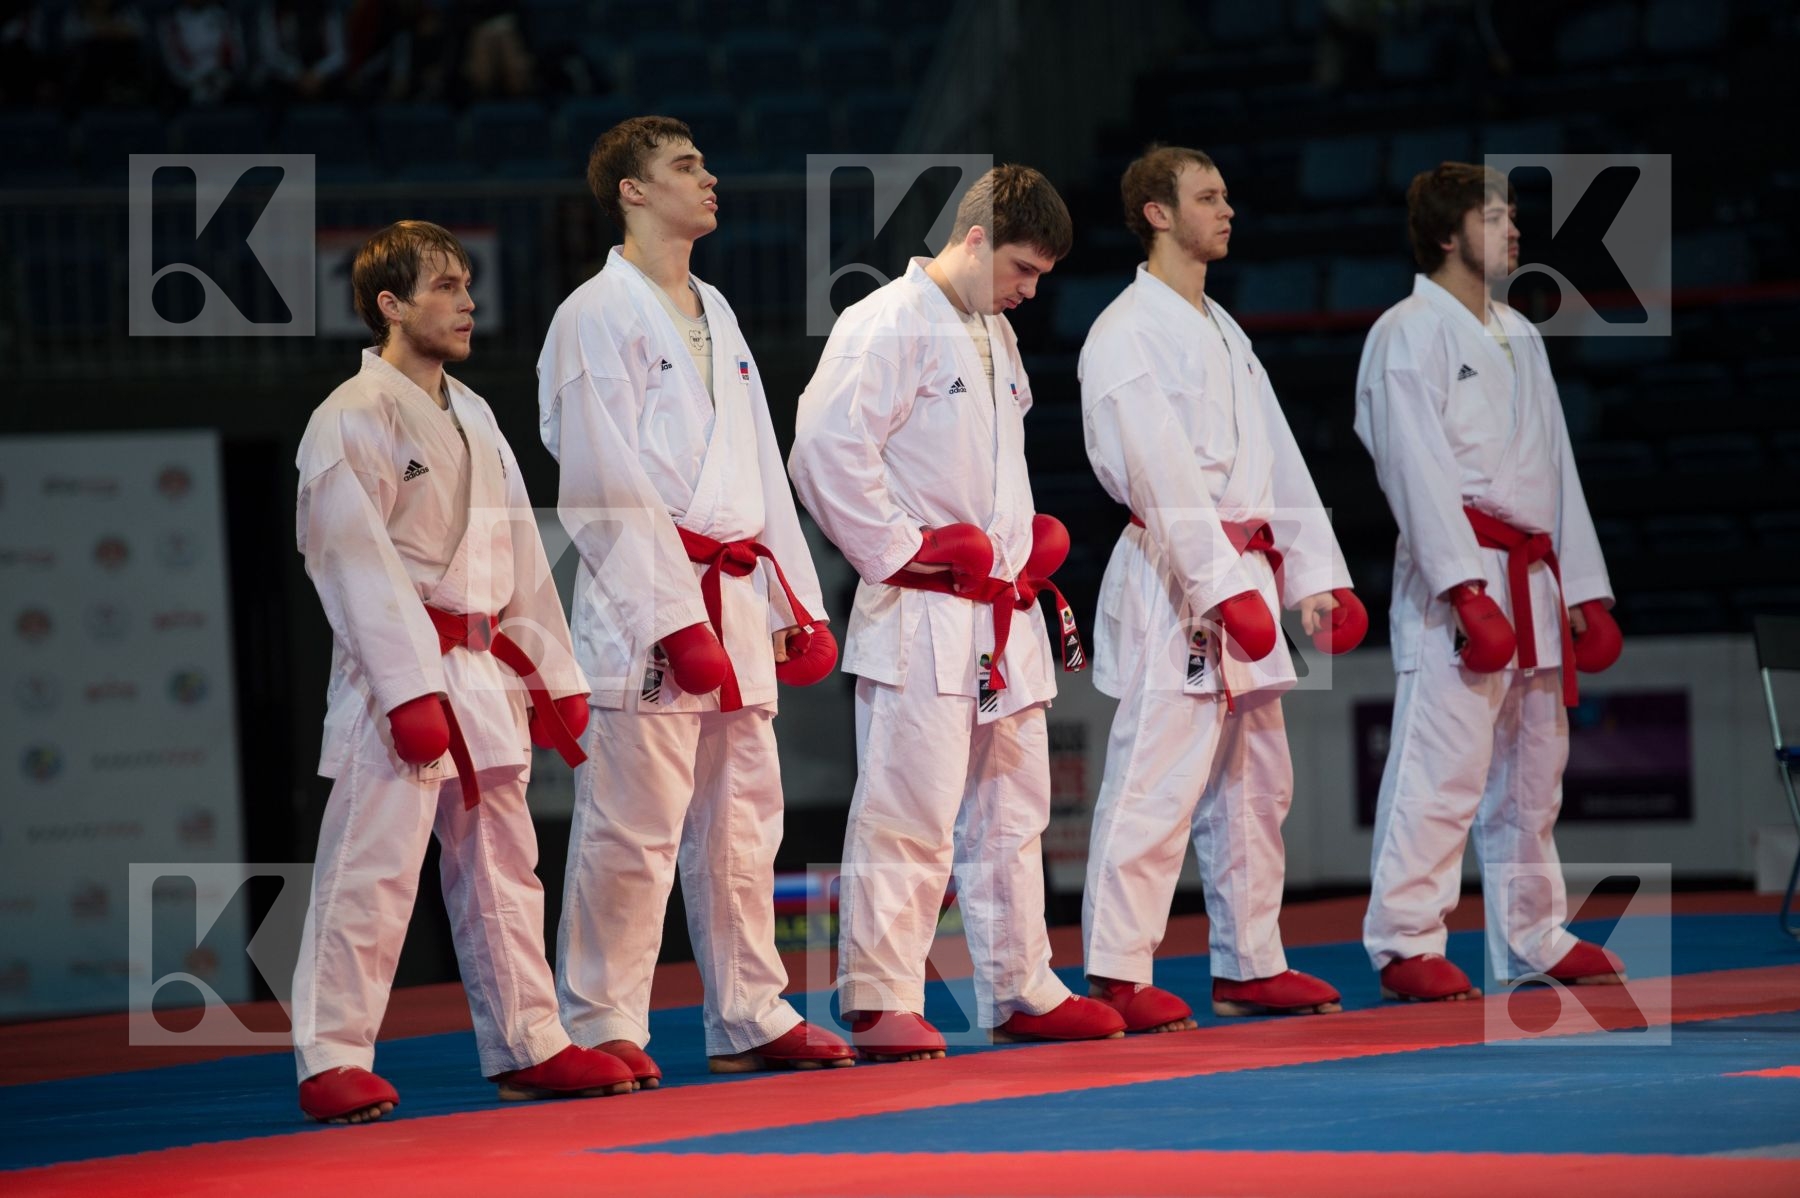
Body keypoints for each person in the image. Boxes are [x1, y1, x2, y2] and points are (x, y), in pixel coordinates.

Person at [291, 220, 633, 1124]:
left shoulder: (474, 413)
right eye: (444, 286)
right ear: (389, 305)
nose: (467, 300)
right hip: (393, 679)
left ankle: (530, 1041)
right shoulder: (348, 421)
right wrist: (409, 691)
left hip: (484, 669)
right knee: (371, 868)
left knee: (504, 869)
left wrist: (554, 673)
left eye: (469, 284)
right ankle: (330, 1055)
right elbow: (351, 563)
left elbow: (519, 547)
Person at [539, 116, 851, 1086]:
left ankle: (750, 1011)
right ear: (632, 191)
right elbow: (598, 484)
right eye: (684, 167)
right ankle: (598, 1021)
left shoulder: (713, 306)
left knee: (744, 825)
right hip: (653, 609)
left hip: (738, 594)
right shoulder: (595, 313)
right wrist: (674, 616)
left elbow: (758, 462)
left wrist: (800, 600)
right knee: (631, 828)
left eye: (707, 162)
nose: (708, 178)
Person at [790, 165, 1126, 1062]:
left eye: (1042, 276)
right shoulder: (885, 322)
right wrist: (905, 548)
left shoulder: (992, 333)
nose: (1029, 289)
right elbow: (822, 450)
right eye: (1021, 266)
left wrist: (1022, 542)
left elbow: (986, 469)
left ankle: (1022, 984)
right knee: (910, 803)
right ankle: (877, 993)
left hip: (1000, 609)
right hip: (923, 606)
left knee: (1014, 806)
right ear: (973, 238)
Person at [1078, 146, 1364, 1033]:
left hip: (1242, 571)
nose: (1227, 209)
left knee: (1256, 783)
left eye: (1228, 195)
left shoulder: (1223, 330)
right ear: (1157, 213)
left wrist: (1316, 574)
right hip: (1178, 578)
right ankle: (1118, 969)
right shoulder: (1127, 329)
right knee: (1156, 775)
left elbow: (1277, 453)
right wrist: (1217, 584)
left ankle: (1251, 962)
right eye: (1208, 197)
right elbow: (1159, 473)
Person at [1353, 162, 1625, 1002]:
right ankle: (1405, 937)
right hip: (1459, 578)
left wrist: (1585, 588)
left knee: (1535, 768)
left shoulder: (1520, 331)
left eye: (1513, 216)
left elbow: (1556, 467)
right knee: (1442, 763)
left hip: (1533, 572)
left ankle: (1534, 933)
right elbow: (1412, 469)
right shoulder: (1405, 331)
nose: (1514, 231)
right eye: (1496, 216)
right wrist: (1464, 588)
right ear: (1446, 234)